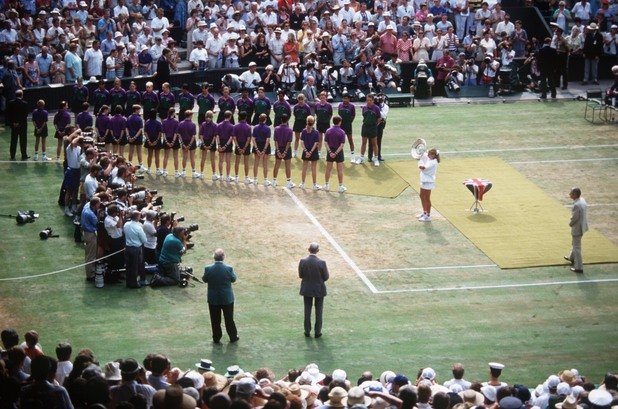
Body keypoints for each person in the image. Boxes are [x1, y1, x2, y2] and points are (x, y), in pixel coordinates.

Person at [202, 248, 239, 344]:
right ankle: (233, 336)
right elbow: (233, 279)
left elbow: (204, 279)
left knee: (215, 319)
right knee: (229, 318)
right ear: (223, 257)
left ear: (214, 257)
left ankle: (216, 337)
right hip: (227, 298)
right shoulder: (229, 268)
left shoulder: (208, 268)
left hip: (213, 298)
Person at [298, 242, 329, 338]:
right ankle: (317, 332)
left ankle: (307, 331)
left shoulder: (303, 261)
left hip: (307, 289)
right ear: (317, 251)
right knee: (319, 311)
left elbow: (301, 275)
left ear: (309, 250)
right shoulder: (322, 263)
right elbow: (326, 277)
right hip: (319, 290)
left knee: (307, 311)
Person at [565, 188, 588, 273]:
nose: (570, 194)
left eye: (571, 193)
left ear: (574, 194)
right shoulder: (582, 200)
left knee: (577, 247)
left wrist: (570, 223)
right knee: (575, 243)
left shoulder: (577, 205)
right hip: (582, 226)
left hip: (577, 228)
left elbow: (574, 217)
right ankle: (571, 257)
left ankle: (579, 267)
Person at [123, 210, 147, 288]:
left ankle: (128, 282)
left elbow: (124, 232)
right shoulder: (138, 227)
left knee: (128, 266)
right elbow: (144, 240)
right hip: (136, 249)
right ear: (137, 217)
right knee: (135, 267)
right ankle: (134, 284)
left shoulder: (126, 224)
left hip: (127, 247)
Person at [323, 116, 347, 194]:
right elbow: (342, 145)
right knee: (339, 170)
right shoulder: (342, 132)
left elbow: (326, 142)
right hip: (339, 152)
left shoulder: (328, 131)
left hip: (330, 152)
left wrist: (330, 152)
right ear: (339, 122)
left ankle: (326, 185)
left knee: (328, 169)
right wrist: (336, 153)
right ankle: (340, 187)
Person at [81, 196, 101, 282]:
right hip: (90, 234)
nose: (100, 205)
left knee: (89, 254)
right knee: (90, 255)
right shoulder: (91, 215)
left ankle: (91, 272)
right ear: (96, 204)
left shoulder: (87, 206)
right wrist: (99, 214)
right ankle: (90, 275)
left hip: (86, 233)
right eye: (99, 203)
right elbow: (97, 223)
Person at [418, 148, 441, 222]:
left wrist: (420, 161)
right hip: (424, 180)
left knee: (426, 198)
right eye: (428, 154)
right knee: (421, 196)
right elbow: (424, 154)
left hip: (428, 182)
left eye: (430, 154)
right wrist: (421, 153)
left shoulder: (433, 162)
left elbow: (423, 168)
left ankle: (428, 216)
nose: (428, 155)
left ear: (434, 155)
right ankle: (424, 212)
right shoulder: (430, 158)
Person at [272, 114, 295, 189]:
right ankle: (288, 182)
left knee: (277, 165)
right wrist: (285, 152)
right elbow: (289, 142)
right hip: (287, 150)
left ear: (281, 120)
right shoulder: (290, 130)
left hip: (279, 148)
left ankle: (274, 181)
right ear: (287, 120)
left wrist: (278, 150)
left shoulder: (276, 129)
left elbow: (276, 141)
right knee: (287, 166)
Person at [6, 90, 29, 161]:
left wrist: (13, 123)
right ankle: (24, 155)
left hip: (14, 125)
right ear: (22, 95)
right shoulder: (24, 103)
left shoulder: (10, 103)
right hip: (22, 125)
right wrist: (19, 123)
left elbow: (8, 114)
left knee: (13, 140)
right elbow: (25, 115)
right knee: (23, 140)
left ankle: (12, 155)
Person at [299, 115, 321, 190]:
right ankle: (314, 185)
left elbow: (302, 142)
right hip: (313, 152)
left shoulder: (304, 131)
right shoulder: (316, 132)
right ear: (313, 123)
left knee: (304, 168)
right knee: (313, 169)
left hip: (306, 151)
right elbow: (316, 143)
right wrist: (311, 152)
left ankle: (302, 184)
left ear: (307, 122)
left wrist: (306, 151)